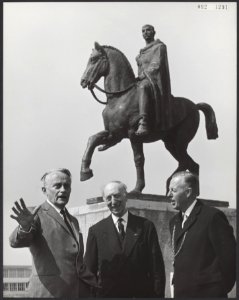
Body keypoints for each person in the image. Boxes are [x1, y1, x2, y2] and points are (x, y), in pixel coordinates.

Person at [9, 168, 97, 298]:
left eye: (66, 186)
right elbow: (15, 242)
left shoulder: (73, 221)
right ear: (44, 190)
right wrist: (25, 228)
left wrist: (94, 282)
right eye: (57, 186)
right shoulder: (35, 214)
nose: (63, 190)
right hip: (48, 294)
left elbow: (77, 262)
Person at [84, 180, 166, 298]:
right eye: (108, 198)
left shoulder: (145, 226)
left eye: (117, 196)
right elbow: (89, 273)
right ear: (104, 200)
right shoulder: (96, 231)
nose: (113, 202)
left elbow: (157, 270)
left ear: (125, 196)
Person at [168, 171, 236, 297]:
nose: (168, 195)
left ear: (188, 192)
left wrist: (218, 290)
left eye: (173, 190)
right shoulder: (174, 222)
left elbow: (230, 259)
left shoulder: (212, 217)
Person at [135, 24, 173, 136]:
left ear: (154, 32)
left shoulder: (160, 47)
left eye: (148, 30)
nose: (145, 32)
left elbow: (156, 65)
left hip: (154, 81)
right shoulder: (140, 54)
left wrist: (143, 76)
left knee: (143, 87)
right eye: (143, 31)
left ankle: (144, 122)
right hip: (143, 79)